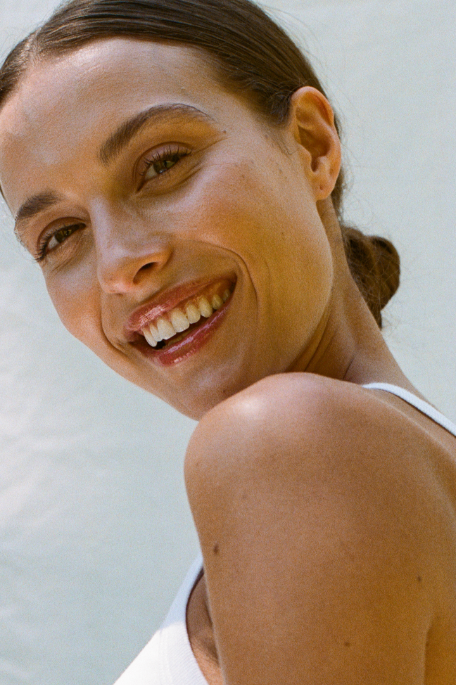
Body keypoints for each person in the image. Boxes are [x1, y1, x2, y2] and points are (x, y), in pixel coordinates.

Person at [0, 0, 455, 683]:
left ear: (312, 145)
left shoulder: (284, 440)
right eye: (59, 235)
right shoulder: (391, 459)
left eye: (161, 164)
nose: (119, 264)